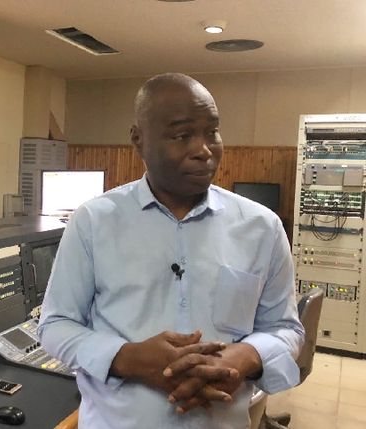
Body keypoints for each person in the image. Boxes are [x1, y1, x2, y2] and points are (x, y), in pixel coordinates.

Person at [37, 73, 304, 429]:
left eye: (212, 132)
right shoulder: (93, 222)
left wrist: (244, 357)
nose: (203, 149)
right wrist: (128, 359)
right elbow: (55, 325)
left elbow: (285, 328)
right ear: (138, 140)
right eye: (182, 135)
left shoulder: (262, 228)